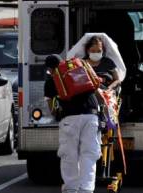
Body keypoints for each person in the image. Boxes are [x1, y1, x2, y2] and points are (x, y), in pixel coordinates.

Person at [44, 55, 101, 193]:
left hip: (70, 118)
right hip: (91, 115)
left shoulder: (53, 80)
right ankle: (86, 189)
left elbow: (51, 105)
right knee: (89, 153)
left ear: (50, 69)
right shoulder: (79, 71)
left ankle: (71, 188)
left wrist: (56, 114)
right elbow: (96, 90)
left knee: (69, 154)